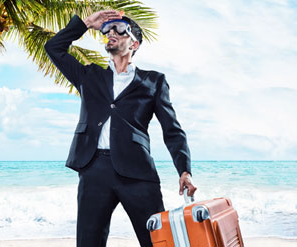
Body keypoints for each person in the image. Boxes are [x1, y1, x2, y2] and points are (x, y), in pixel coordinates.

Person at [44, 10, 197, 247]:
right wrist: (86, 24)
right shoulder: (89, 75)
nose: (111, 33)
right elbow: (54, 47)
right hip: (93, 169)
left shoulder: (153, 81)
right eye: (108, 30)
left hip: (137, 172)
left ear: (134, 43)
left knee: (157, 242)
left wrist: (184, 171)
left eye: (119, 29)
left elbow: (172, 130)